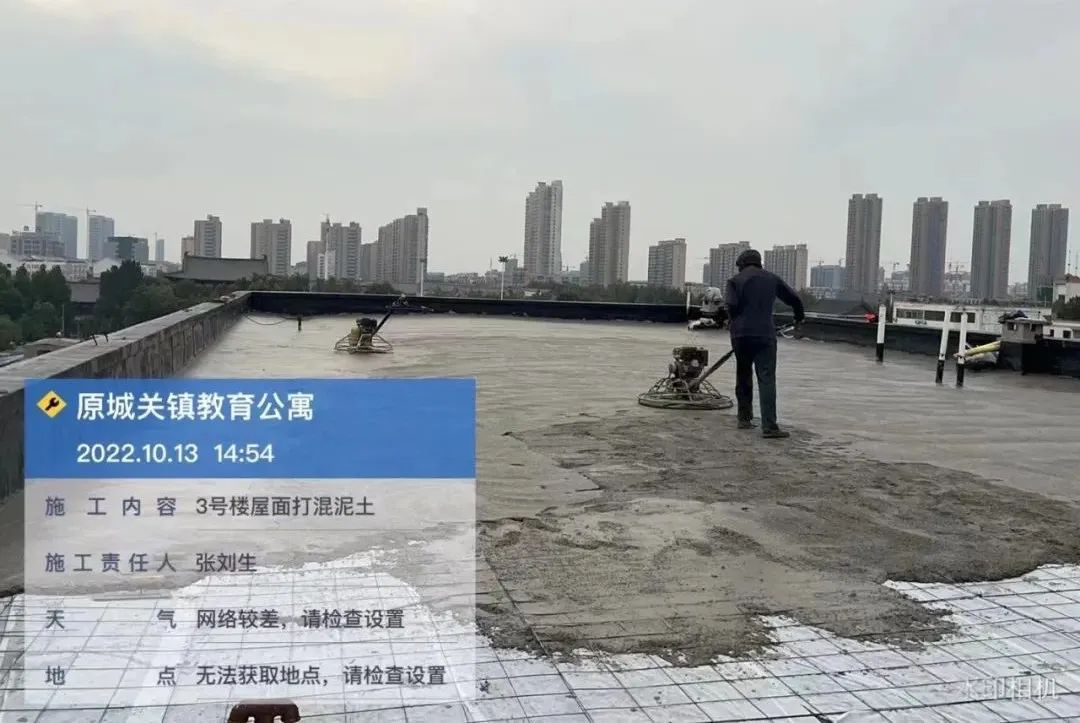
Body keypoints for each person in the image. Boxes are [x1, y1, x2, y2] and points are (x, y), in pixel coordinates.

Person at [723, 249, 805, 438]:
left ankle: (744, 419)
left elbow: (731, 306)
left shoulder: (734, 281)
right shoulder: (771, 279)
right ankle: (769, 426)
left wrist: (733, 323)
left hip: (740, 335)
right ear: (759, 262)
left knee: (743, 374)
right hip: (765, 335)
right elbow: (794, 299)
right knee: (767, 378)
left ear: (742, 264)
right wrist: (799, 317)